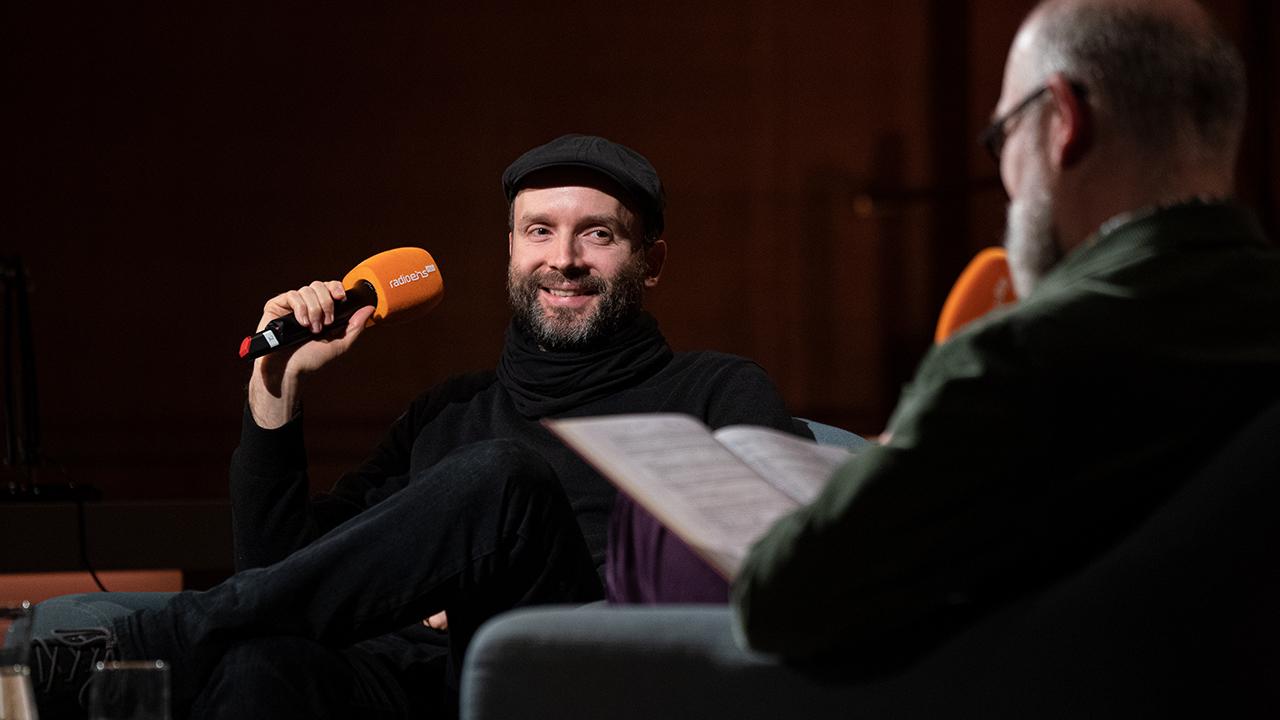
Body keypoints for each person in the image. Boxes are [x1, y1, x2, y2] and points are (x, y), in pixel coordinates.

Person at [33, 134, 800, 719]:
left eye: (598, 234)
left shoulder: (717, 389)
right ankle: (175, 650)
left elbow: (766, 576)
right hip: (402, 678)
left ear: (651, 260)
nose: (562, 259)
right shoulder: (448, 409)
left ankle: (148, 649)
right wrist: (276, 387)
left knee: (502, 479)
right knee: (259, 664)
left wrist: (470, 579)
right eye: (538, 231)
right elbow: (276, 577)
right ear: (509, 248)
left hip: (561, 667)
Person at [733, 0, 1280, 664]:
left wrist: (900, 455)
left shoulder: (1021, 360)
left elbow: (781, 601)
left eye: (1002, 136)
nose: (1003, 176)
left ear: (1063, 121)